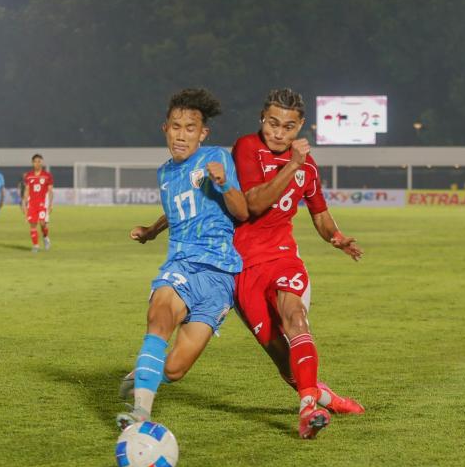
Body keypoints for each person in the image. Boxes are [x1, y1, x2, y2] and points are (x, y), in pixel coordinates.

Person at [232, 88, 365, 439]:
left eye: (288, 127)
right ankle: (323, 396)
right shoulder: (247, 148)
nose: (278, 133)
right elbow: (254, 203)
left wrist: (337, 238)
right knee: (280, 355)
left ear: (300, 126)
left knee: (295, 318)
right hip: (243, 267)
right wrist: (292, 163)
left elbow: (320, 214)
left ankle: (307, 408)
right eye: (273, 124)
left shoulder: (308, 166)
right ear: (262, 118)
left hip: (283, 258)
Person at [116, 88, 248, 430]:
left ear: (202, 134)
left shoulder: (216, 158)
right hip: (182, 264)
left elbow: (242, 212)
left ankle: (145, 372)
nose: (182, 134)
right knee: (160, 317)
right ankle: (140, 414)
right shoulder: (164, 173)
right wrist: (151, 231)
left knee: (174, 369)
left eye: (190, 128)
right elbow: (175, 211)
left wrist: (224, 185)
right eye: (176, 126)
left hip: (220, 274)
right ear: (165, 129)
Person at [21, 154, 53, 253]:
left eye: (39, 161)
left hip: (43, 203)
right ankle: (35, 245)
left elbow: (50, 191)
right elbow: (27, 190)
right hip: (32, 204)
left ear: (42, 162)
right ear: (32, 163)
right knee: (33, 225)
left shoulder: (47, 175)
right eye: (35, 161)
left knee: (43, 223)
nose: (37, 163)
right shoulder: (29, 176)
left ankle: (45, 237)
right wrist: (24, 202)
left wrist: (50, 204)